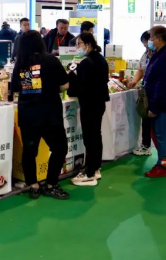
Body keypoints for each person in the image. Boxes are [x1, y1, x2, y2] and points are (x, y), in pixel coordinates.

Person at [10, 30, 70, 200]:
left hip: (28, 115)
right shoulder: (51, 60)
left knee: (30, 151)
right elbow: (65, 85)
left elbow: (15, 88)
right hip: (49, 115)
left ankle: (33, 185)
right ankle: (51, 184)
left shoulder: (21, 63)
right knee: (59, 148)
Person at [68, 32, 110, 187]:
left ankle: (89, 173)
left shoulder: (87, 62)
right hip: (98, 102)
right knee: (95, 135)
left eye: (79, 44)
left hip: (90, 103)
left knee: (90, 137)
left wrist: (71, 73)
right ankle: (95, 167)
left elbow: (80, 84)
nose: (77, 47)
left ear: (88, 44)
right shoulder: (100, 59)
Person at [143, 26, 166, 178]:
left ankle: (162, 165)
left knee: (162, 134)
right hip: (163, 101)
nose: (149, 41)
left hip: (163, 103)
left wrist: (154, 106)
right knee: (162, 133)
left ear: (159, 39)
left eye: (151, 38)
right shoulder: (160, 54)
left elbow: (162, 85)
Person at [129, 31, 153, 156]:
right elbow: (141, 69)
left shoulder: (160, 55)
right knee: (146, 119)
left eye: (146, 42)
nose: (145, 45)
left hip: (155, 92)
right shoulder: (145, 54)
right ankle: (146, 145)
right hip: (146, 91)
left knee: (158, 123)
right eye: (143, 43)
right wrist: (134, 81)